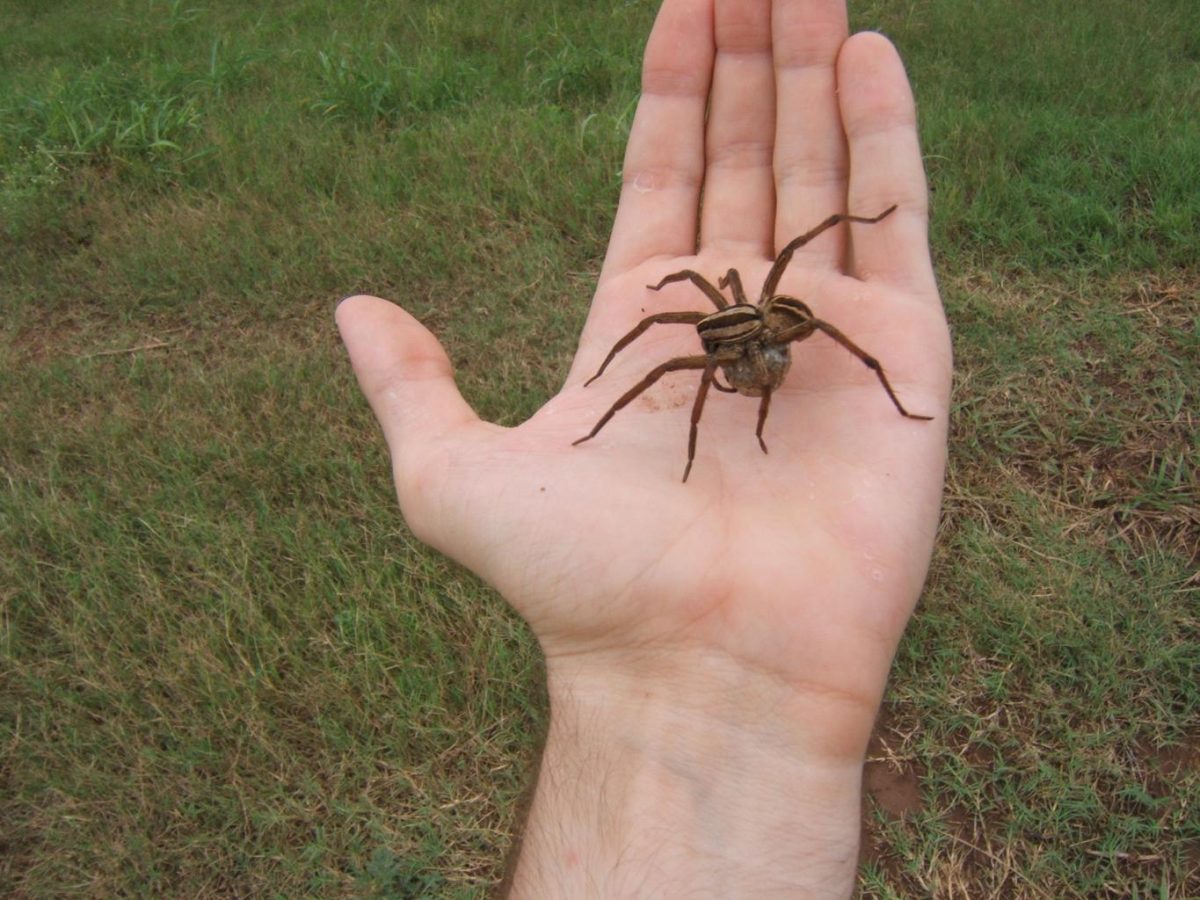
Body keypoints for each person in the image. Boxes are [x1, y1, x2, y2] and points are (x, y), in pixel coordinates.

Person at [336, 0, 951, 894]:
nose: (706, 335)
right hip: (765, 334)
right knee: (680, 334)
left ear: (736, 322)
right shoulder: (721, 324)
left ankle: (878, 389)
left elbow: (753, 291)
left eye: (717, 326)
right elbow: (701, 305)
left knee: (700, 347)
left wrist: (815, 378)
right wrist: (665, 320)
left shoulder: (746, 323)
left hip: (783, 329)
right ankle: (648, 406)